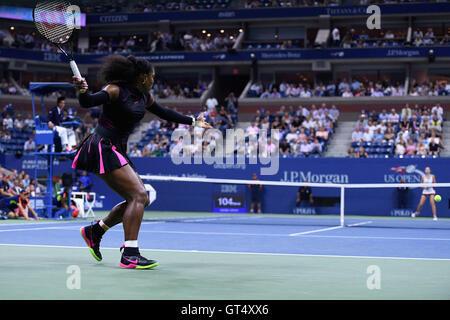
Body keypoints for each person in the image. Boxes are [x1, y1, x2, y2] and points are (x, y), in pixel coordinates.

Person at [72, 55, 212, 269]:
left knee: (140, 199)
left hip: (117, 148)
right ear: (143, 77)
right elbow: (88, 102)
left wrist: (193, 121)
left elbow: (164, 112)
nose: (154, 79)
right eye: (153, 75)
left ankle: (96, 231)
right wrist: (82, 90)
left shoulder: (143, 97)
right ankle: (130, 254)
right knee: (138, 195)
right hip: (102, 146)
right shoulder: (115, 90)